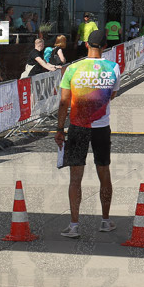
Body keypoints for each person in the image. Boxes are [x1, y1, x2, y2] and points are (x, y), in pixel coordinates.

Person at [55, 30, 119, 238]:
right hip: (101, 127)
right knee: (104, 172)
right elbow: (112, 95)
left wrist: (59, 129)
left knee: (75, 178)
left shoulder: (72, 68)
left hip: (78, 126)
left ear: (86, 44)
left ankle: (74, 225)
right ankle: (105, 221)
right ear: (105, 46)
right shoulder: (113, 67)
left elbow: (64, 102)